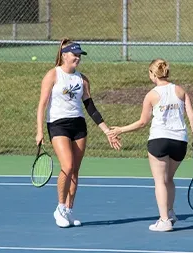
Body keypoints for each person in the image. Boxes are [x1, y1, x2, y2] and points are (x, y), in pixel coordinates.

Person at [36, 38, 121, 228]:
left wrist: (107, 130)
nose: (78, 59)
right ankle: (59, 208)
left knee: (75, 170)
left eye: (79, 56)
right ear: (64, 55)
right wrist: (39, 131)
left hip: (78, 125)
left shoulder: (82, 79)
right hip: (58, 124)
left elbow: (90, 107)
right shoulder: (53, 75)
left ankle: (68, 210)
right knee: (67, 165)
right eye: (75, 55)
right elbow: (42, 104)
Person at [108, 58, 193, 232]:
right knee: (169, 179)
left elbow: (143, 122)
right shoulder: (180, 90)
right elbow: (192, 117)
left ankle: (164, 220)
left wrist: (121, 129)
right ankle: (170, 213)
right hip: (180, 141)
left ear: (152, 74)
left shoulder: (151, 95)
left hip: (159, 140)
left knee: (160, 181)